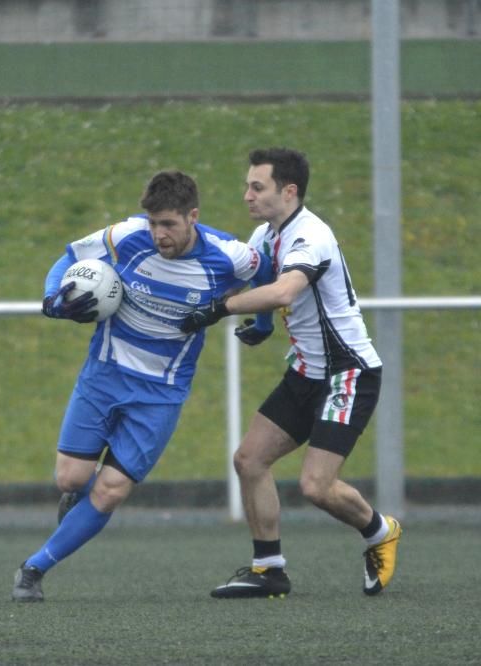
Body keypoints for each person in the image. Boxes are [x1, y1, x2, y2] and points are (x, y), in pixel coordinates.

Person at [12, 170, 273, 602]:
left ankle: (33, 568)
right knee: (70, 478)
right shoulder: (127, 235)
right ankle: (78, 502)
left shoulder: (231, 257)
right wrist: (51, 298)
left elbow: (268, 279)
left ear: (193, 217)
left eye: (168, 224)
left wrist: (260, 324)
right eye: (153, 223)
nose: (158, 234)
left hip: (161, 395)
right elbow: (70, 257)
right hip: (103, 376)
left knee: (111, 489)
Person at [179, 147, 401, 599]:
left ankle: (380, 530)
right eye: (247, 186)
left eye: (257, 187)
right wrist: (260, 328)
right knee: (249, 460)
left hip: (349, 373)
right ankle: (269, 570)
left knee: (316, 486)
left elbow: (282, 291)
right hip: (307, 372)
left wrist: (218, 309)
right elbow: (261, 283)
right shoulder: (266, 235)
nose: (247, 196)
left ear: (289, 191)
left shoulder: (312, 237)